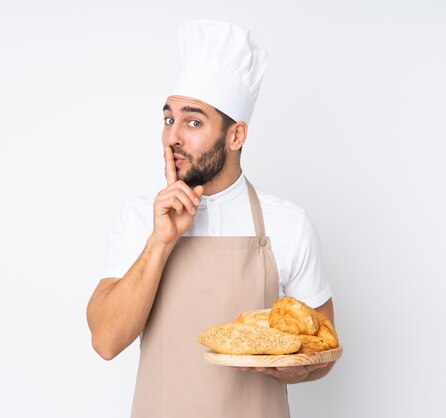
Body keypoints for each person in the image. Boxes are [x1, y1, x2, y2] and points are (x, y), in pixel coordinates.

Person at [87, 20, 337, 418]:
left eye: (194, 121)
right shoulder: (140, 219)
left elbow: (324, 346)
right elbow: (105, 340)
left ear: (236, 136)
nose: (173, 137)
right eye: (169, 119)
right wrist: (161, 241)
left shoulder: (288, 224)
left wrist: (293, 368)